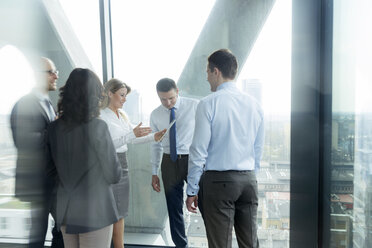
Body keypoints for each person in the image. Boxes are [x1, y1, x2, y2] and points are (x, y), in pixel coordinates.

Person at [186, 49, 264, 248]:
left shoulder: (208, 103)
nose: (207, 77)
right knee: (250, 244)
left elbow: (198, 150)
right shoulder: (255, 105)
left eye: (207, 72)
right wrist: (250, 175)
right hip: (248, 181)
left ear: (216, 71)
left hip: (219, 182)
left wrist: (192, 189)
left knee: (220, 244)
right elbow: (258, 148)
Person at [46, 68, 122, 248]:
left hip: (66, 212)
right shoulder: (97, 127)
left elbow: (50, 171)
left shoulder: (54, 128)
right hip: (95, 211)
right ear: (94, 95)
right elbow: (113, 174)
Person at [100, 78, 166, 248]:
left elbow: (132, 139)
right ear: (109, 93)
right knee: (108, 212)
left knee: (121, 212)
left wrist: (153, 137)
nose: (124, 99)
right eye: (121, 95)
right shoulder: (101, 116)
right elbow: (106, 145)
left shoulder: (122, 115)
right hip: (108, 164)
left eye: (126, 96)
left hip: (123, 164)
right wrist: (131, 135)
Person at [10, 57, 64, 248]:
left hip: (50, 179)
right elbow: (24, 141)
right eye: (51, 72)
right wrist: (56, 128)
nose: (56, 75)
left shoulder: (47, 103)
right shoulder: (26, 103)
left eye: (55, 71)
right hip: (38, 181)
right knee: (39, 232)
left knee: (61, 228)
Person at [150, 78, 199, 248]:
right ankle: (181, 245)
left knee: (204, 203)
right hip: (168, 161)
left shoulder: (195, 106)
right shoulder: (155, 114)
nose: (168, 103)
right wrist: (154, 171)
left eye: (171, 98)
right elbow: (155, 145)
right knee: (174, 208)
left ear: (177, 91)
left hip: (191, 160)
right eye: (163, 99)